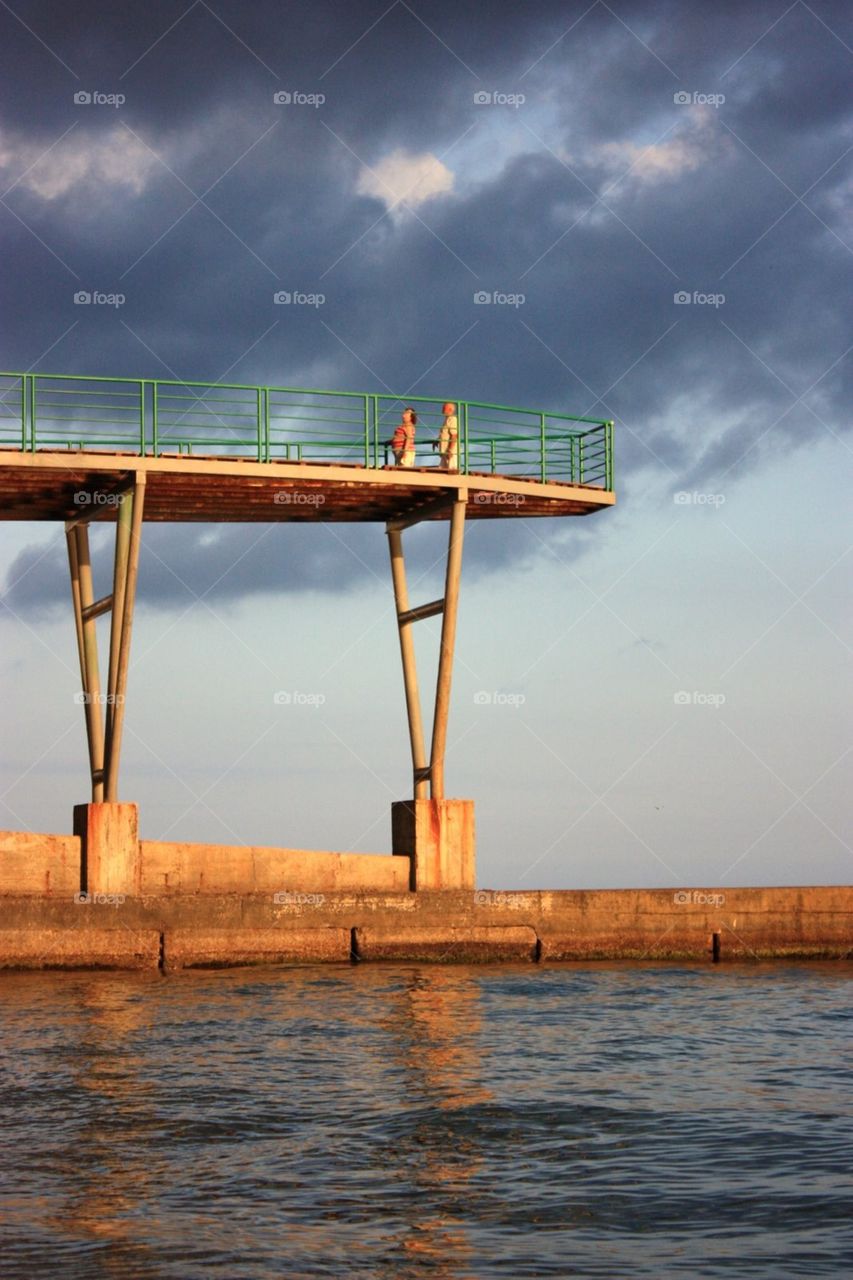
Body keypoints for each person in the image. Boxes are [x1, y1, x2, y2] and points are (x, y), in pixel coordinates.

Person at [437, 402, 458, 471]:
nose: (442, 408)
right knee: (442, 471)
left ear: (450, 409)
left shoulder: (452, 419)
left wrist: (450, 450)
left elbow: (454, 435)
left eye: (444, 407)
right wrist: (437, 440)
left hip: (449, 452)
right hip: (445, 452)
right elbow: (444, 434)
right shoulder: (446, 420)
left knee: (452, 472)